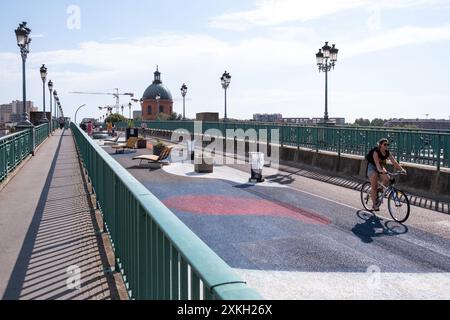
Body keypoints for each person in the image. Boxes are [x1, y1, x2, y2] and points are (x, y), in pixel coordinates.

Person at [366, 138, 406, 211]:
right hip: (372, 166)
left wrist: (401, 169)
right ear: (380, 145)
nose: (386, 146)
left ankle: (380, 189)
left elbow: (394, 162)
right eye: (385, 144)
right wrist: (380, 170)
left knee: (387, 179)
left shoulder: (387, 152)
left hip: (380, 166)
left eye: (388, 144)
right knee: (374, 186)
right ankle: (374, 205)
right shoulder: (376, 152)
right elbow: (377, 164)